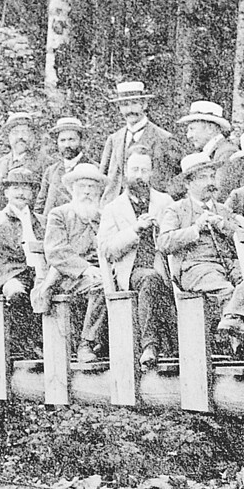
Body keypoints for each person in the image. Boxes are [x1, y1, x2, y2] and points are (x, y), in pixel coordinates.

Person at [157, 152, 244, 346]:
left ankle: (231, 321)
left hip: (229, 265)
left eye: (211, 176)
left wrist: (224, 225)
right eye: (202, 177)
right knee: (227, 291)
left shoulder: (223, 210)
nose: (210, 182)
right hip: (194, 268)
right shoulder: (176, 210)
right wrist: (195, 229)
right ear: (187, 184)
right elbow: (164, 242)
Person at [98, 151, 178, 369]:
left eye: (144, 170)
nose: (139, 175)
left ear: (151, 172)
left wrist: (158, 228)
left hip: (166, 269)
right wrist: (134, 230)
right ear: (125, 173)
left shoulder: (165, 202)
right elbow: (107, 250)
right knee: (150, 279)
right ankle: (150, 345)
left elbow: (174, 235)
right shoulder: (113, 208)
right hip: (131, 272)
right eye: (134, 170)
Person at [41, 162, 111, 362]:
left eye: (92, 187)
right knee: (101, 286)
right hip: (67, 276)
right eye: (82, 186)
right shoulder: (59, 214)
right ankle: (86, 344)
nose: (87, 192)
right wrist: (85, 269)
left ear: (99, 191)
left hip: (102, 271)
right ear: (72, 189)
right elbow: (56, 252)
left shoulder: (103, 216)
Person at [0, 166, 41, 354]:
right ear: (6, 192)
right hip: (10, 276)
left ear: (33, 192)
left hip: (40, 274)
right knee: (16, 293)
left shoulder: (42, 220)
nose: (21, 193)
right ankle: (27, 346)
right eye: (15, 188)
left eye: (26, 188)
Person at [99, 78, 184, 202]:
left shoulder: (164, 139)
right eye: (124, 105)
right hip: (116, 208)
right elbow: (102, 178)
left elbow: (178, 180)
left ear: (144, 104)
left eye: (134, 103)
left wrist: (163, 202)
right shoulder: (114, 139)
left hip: (149, 208)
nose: (129, 110)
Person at [178, 100, 242, 201]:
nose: (188, 136)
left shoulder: (226, 153)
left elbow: (219, 195)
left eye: (192, 129)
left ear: (210, 128)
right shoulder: (215, 152)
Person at [37, 116, 88, 218]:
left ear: (81, 141)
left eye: (71, 140)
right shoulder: (51, 171)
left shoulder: (92, 168)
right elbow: (40, 206)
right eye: (62, 140)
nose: (67, 145)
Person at [0, 111, 48, 193]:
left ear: (33, 136)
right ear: (8, 136)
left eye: (25, 132)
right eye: (15, 133)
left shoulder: (44, 162)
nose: (20, 137)